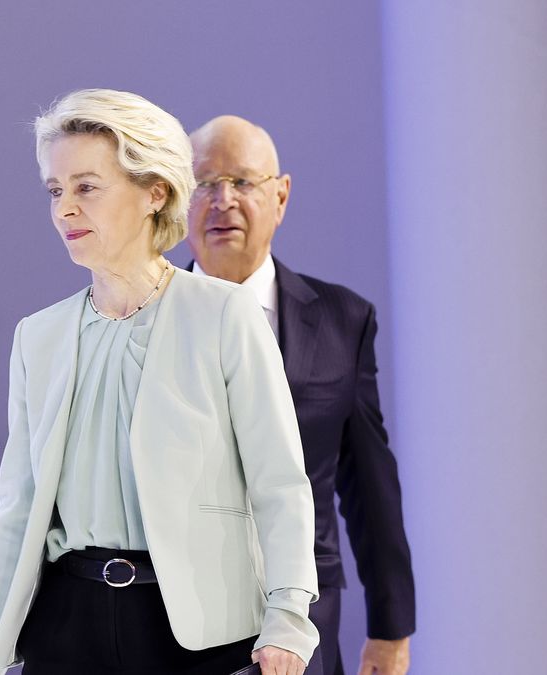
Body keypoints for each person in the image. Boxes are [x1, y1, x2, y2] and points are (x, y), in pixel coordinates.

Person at [0, 90, 323, 675]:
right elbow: (15, 514)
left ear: (156, 192)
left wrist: (289, 622)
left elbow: (279, 483)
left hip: (195, 634)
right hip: (64, 626)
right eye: (55, 189)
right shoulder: (36, 338)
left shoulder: (224, 316)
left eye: (86, 187)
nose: (65, 209)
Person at [185, 116, 416, 675]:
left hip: (302, 621)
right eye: (205, 185)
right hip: (174, 615)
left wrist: (390, 629)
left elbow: (368, 483)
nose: (223, 201)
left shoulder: (342, 321)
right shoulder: (140, 321)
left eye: (242, 182)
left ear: (280, 195)